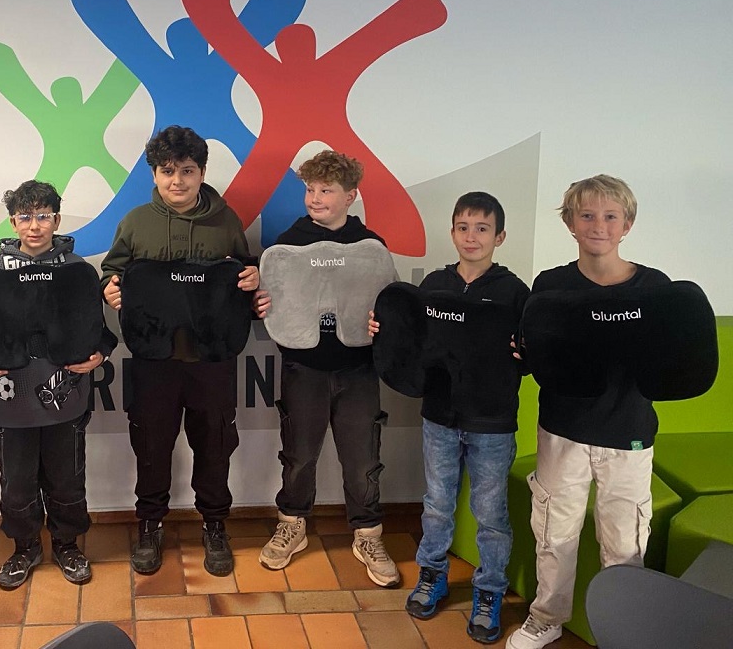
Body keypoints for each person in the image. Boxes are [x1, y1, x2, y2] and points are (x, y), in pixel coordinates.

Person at [507, 175, 667, 649]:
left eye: (610, 216)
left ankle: (624, 629)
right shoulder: (551, 285)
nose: (599, 225)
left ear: (627, 225)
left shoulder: (654, 288)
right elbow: (534, 354)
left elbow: (669, 363)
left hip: (628, 433)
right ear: (571, 224)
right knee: (554, 532)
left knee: (624, 541)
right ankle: (546, 617)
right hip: (563, 430)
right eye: (587, 215)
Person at [101, 125, 264, 577]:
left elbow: (243, 271)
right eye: (168, 171)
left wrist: (252, 277)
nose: (177, 181)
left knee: (214, 443)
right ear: (154, 174)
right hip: (153, 360)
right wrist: (108, 288)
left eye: (187, 171)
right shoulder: (135, 222)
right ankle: (150, 523)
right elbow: (113, 271)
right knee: (151, 444)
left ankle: (214, 524)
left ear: (202, 173)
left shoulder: (226, 220)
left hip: (212, 359)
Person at [371, 192, 529, 643]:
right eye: (463, 227)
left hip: (492, 423)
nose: (471, 237)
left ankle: (489, 591)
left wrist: (530, 352)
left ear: (499, 237)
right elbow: (412, 342)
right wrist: (382, 328)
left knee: (490, 514)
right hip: (439, 417)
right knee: (437, 505)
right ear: (452, 232)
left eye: (482, 229)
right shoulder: (435, 285)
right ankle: (432, 575)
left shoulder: (515, 292)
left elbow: (530, 355)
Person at [0, 180, 117, 589]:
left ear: (57, 220)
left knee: (66, 477)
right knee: (17, 481)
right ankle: (25, 547)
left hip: (66, 397)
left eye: (43, 216)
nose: (34, 226)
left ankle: (67, 544)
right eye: (26, 217)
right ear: (13, 222)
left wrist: (102, 353)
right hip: (13, 401)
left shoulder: (78, 272)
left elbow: (100, 331)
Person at [258, 150, 402, 587]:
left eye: (326, 190)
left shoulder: (370, 247)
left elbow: (391, 307)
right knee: (299, 454)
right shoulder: (288, 244)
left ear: (350, 196)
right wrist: (259, 302)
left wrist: (382, 322)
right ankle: (292, 524)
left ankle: (367, 533)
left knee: (362, 458)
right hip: (303, 366)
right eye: (310, 189)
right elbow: (272, 302)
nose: (315, 199)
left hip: (358, 369)